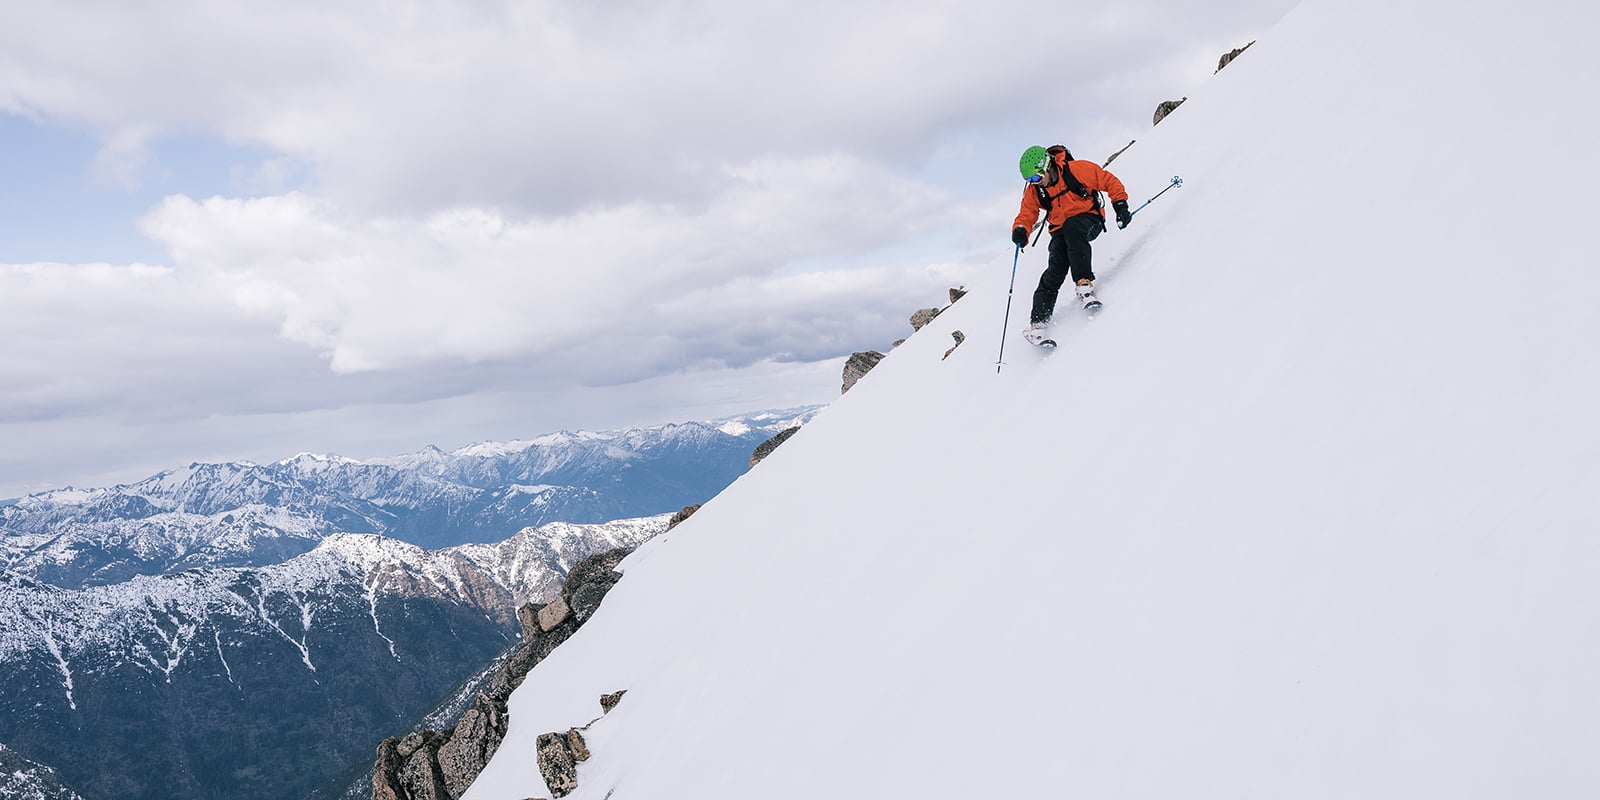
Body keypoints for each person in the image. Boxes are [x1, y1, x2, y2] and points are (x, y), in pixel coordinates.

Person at [1010, 145, 1132, 342]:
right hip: (1060, 229)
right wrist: (1021, 230)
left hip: (1088, 219)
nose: (1035, 183)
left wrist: (1120, 205)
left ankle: (1084, 285)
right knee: (1056, 265)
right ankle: (1037, 324)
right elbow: (1027, 213)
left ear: (1047, 166)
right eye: (1029, 180)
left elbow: (1108, 180)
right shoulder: (1036, 190)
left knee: (1072, 228)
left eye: (1036, 177)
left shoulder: (1076, 170)